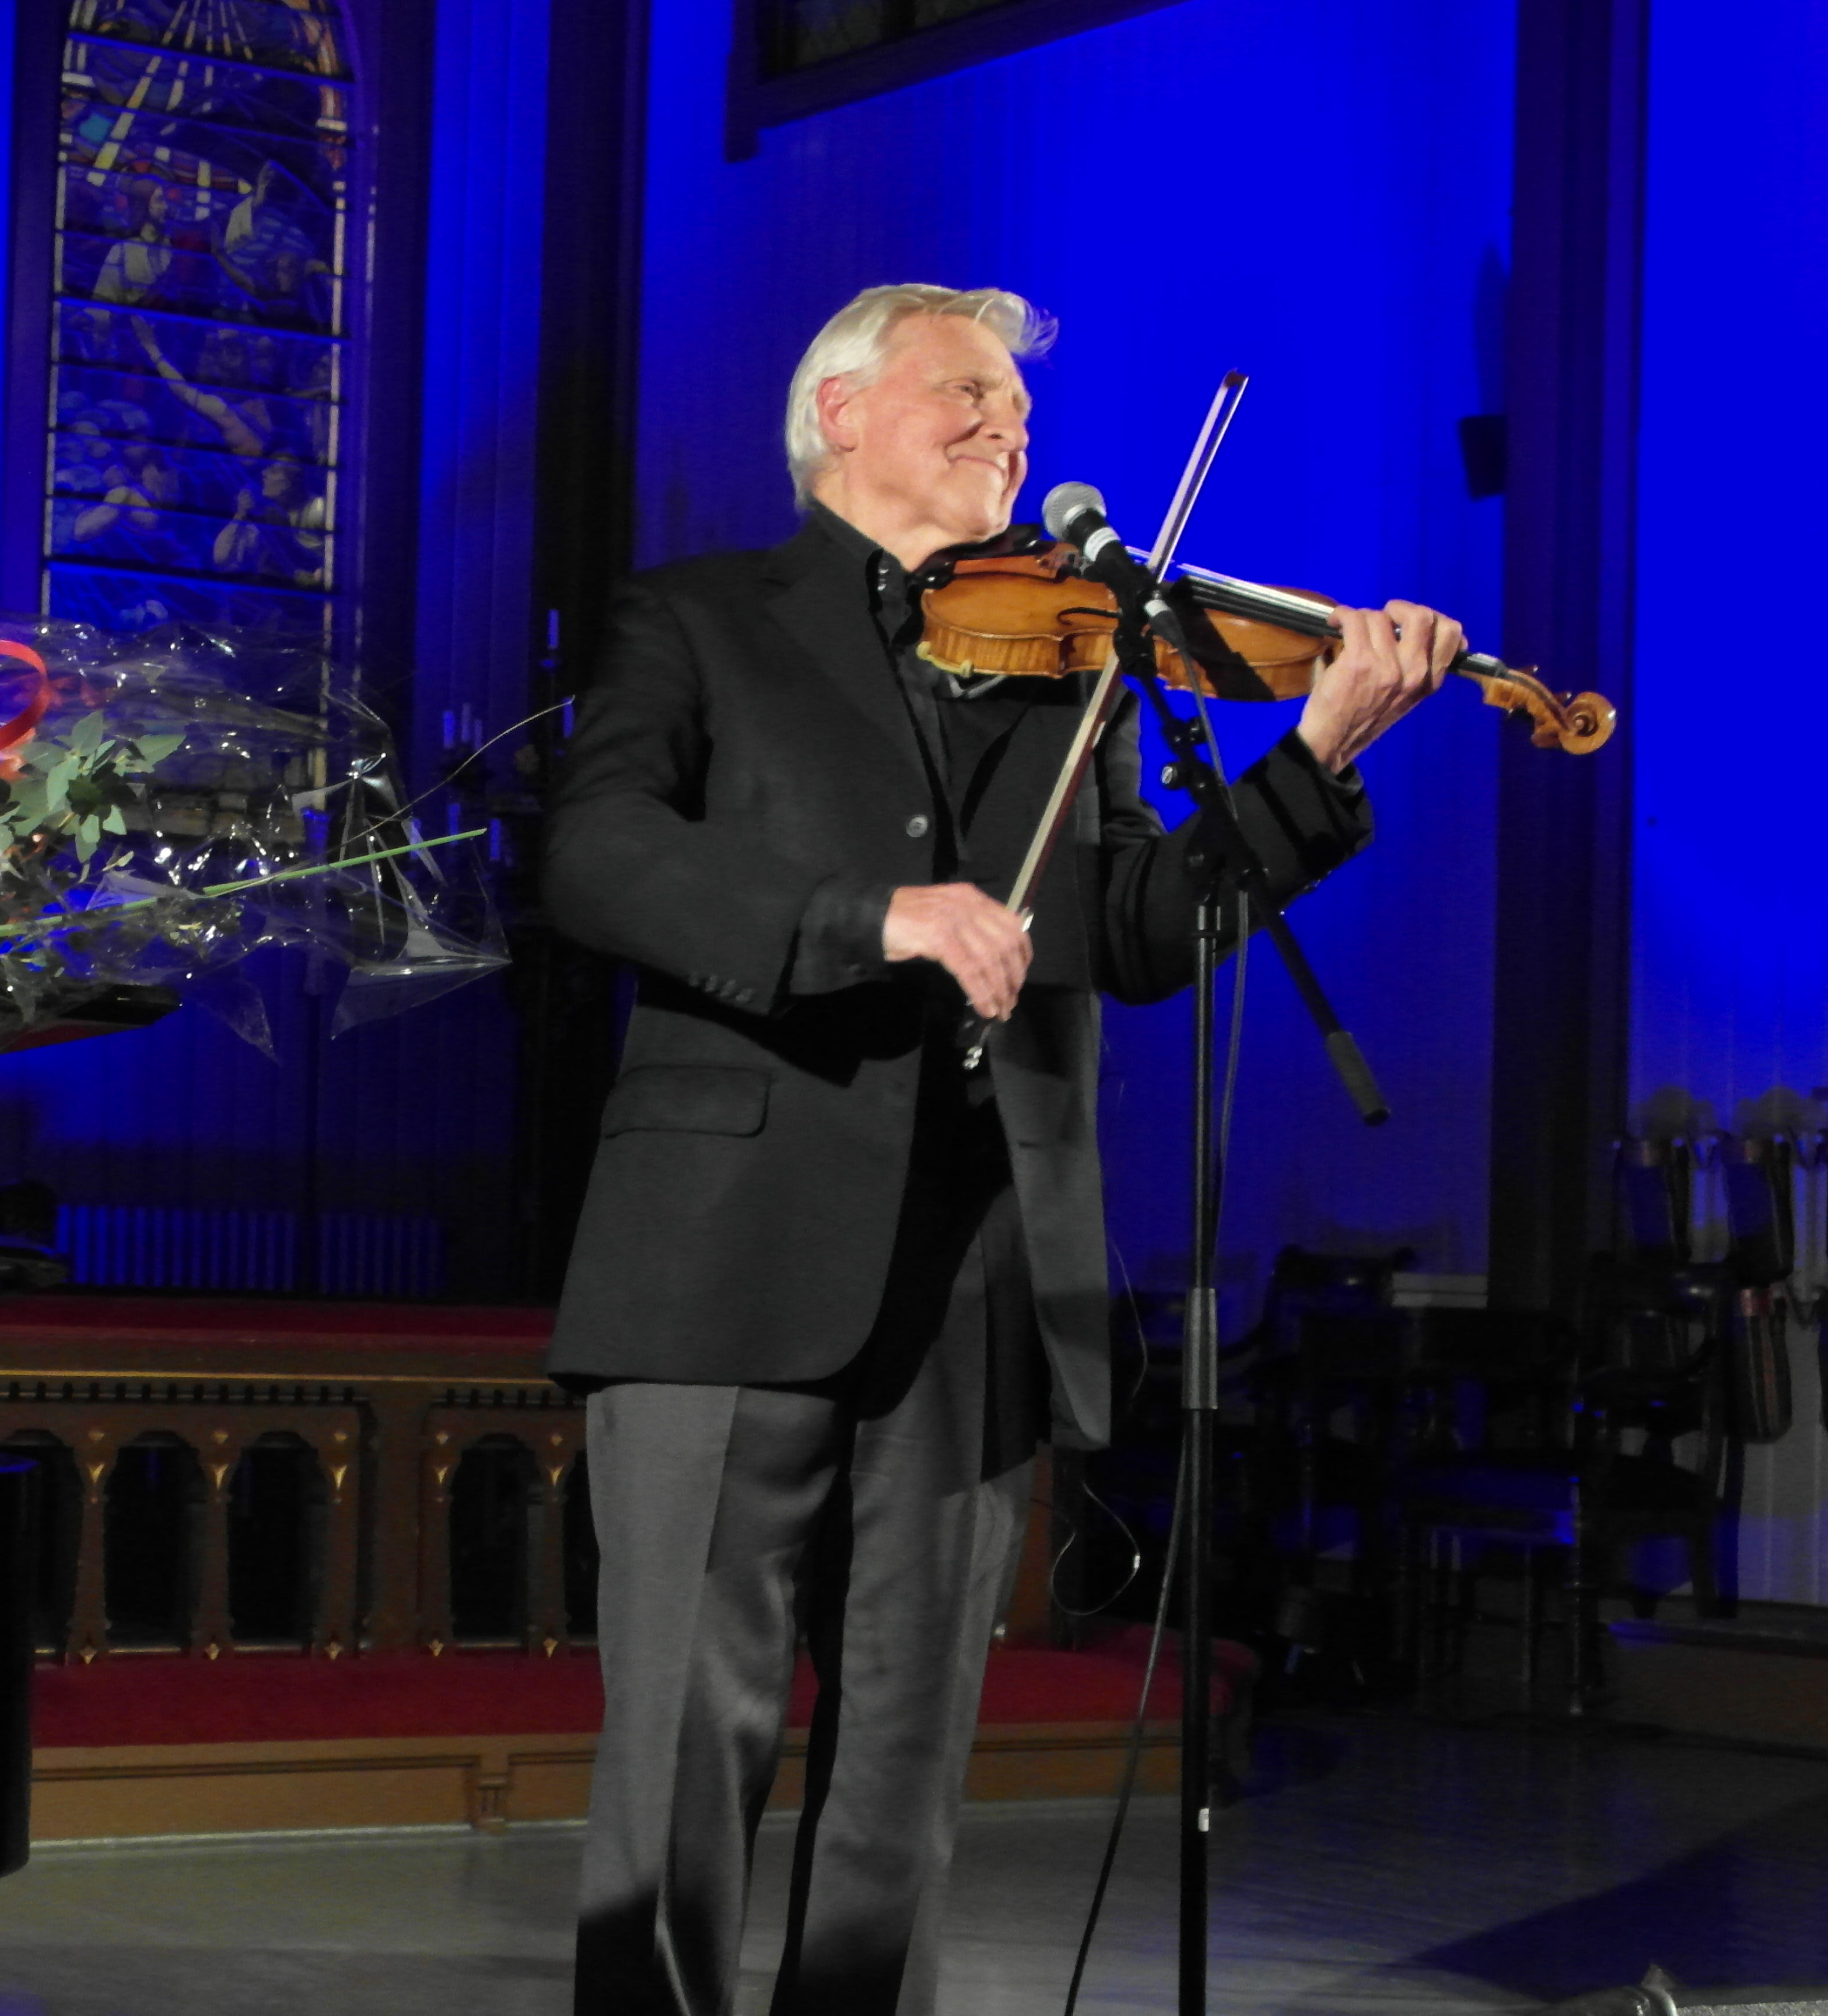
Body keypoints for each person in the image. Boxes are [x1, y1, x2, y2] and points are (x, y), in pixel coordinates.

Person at [544, 282, 1460, 2016]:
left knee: (904, 1760)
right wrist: (869, 915)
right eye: (963, 391)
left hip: (981, 1263)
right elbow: (596, 857)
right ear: (839, 413)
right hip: (721, 1248)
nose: (1006, 427)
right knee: (684, 1742)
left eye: (1020, 412)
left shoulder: (1074, 664)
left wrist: (1315, 759)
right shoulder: (700, 618)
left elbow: (1136, 928)